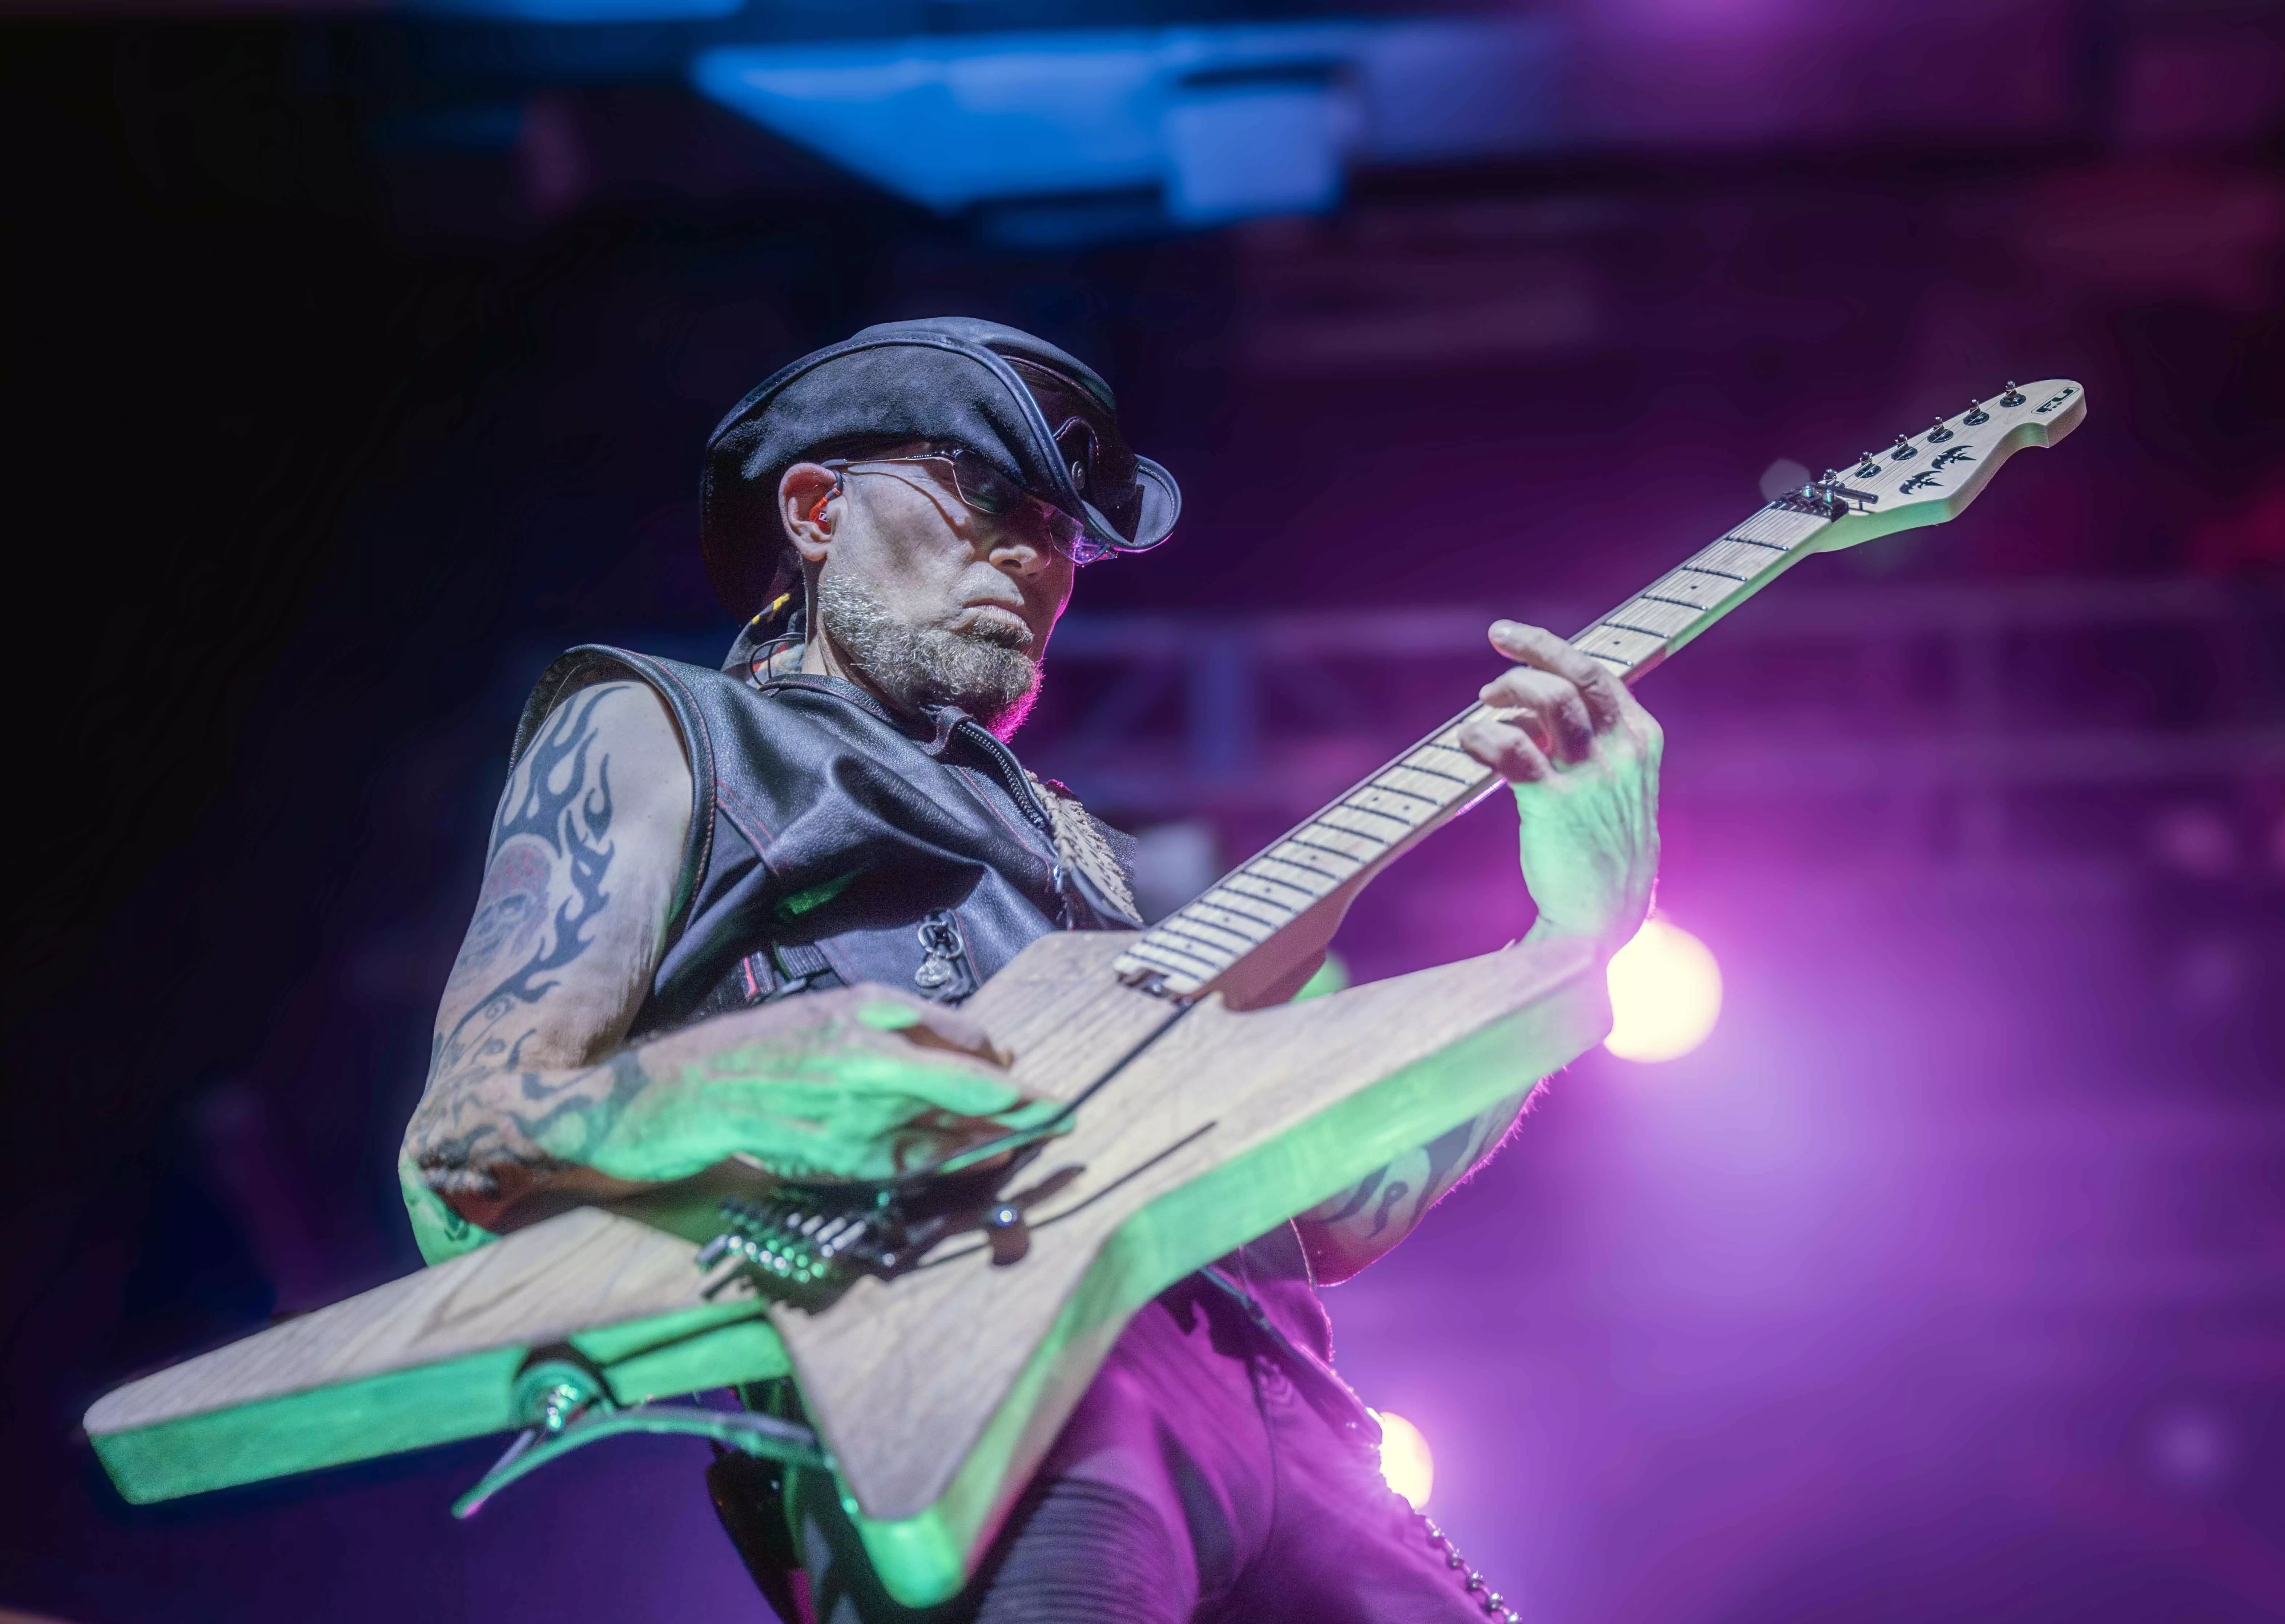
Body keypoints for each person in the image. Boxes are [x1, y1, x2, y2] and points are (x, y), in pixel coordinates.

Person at [400, 317, 1661, 1623]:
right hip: (984, 1395)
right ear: (817, 508)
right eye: (986, 495)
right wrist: (730, 1086)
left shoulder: (1096, 866)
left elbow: (1331, 1222)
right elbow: (466, 1141)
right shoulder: (660, 726)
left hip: (1299, 1424)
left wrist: (1567, 949)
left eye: (1061, 533)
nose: (1031, 557)